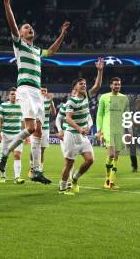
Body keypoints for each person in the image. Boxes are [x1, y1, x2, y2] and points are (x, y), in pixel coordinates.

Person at [0, 0, 70, 185]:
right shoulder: (19, 44)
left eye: (31, 27)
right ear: (21, 34)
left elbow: (52, 51)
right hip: (25, 90)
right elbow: (12, 24)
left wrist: (62, 33)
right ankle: (5, 152)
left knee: (37, 131)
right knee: (30, 128)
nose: (29, 29)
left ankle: (36, 170)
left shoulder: (37, 51)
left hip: (37, 92)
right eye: (26, 28)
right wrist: (7, 4)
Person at [59, 58, 104, 195]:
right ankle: (62, 187)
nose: (84, 85)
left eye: (84, 83)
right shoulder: (71, 101)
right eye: (81, 84)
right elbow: (68, 118)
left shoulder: (86, 97)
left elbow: (96, 86)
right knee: (69, 163)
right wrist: (80, 129)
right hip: (72, 134)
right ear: (75, 87)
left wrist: (100, 70)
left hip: (82, 136)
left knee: (90, 160)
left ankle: (74, 178)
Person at [96, 77, 130, 190]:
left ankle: (111, 181)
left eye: (119, 84)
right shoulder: (104, 97)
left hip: (119, 130)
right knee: (110, 155)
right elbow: (99, 114)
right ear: (111, 85)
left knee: (116, 157)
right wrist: (99, 130)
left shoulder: (124, 98)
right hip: (107, 129)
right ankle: (106, 179)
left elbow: (127, 116)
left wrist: (129, 131)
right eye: (115, 84)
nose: (117, 86)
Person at [0, 87, 25, 184]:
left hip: (18, 135)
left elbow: (23, 121)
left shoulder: (21, 106)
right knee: (4, 156)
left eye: (15, 94)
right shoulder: (3, 106)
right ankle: (3, 175)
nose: (14, 95)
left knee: (17, 155)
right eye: (12, 94)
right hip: (6, 135)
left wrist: (26, 134)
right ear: (8, 95)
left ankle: (17, 177)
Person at [28, 87, 56, 178]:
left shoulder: (48, 101)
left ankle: (40, 168)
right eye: (42, 90)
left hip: (45, 129)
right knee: (34, 148)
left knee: (42, 150)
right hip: (36, 128)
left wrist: (51, 101)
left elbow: (54, 113)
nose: (43, 92)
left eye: (45, 91)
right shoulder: (34, 102)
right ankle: (32, 168)